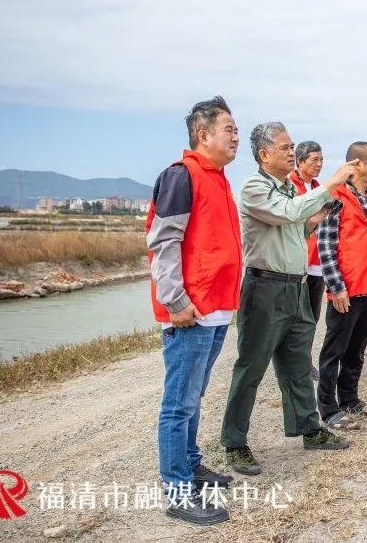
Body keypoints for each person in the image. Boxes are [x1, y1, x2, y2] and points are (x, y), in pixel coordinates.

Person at [221, 123, 359, 476]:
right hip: (265, 288)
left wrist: (319, 216)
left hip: (295, 288)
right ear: (264, 154)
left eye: (291, 145)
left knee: (298, 366)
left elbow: (296, 226)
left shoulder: (285, 189)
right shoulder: (255, 187)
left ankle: (310, 429)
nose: (290, 152)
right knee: (251, 368)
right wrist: (331, 183)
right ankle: (235, 443)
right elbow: (288, 213)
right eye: (285, 147)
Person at [146, 96, 240, 526]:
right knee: (178, 403)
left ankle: (191, 463)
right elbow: (163, 243)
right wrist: (176, 300)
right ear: (203, 135)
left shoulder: (218, 179)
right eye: (229, 129)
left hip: (217, 308)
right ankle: (178, 490)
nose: (236, 136)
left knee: (194, 396)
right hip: (192, 310)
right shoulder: (181, 176)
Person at [315, 141, 367, 430]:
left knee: (357, 349)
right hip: (346, 289)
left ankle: (350, 397)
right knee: (334, 350)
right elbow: (326, 245)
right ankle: (329, 408)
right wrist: (336, 286)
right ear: (357, 164)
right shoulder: (335, 196)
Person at [289, 140, 326, 381]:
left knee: (311, 317)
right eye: (314, 160)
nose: (319, 165)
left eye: (321, 160)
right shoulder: (288, 186)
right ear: (299, 161)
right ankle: (290, 361)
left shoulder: (318, 187)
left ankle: (304, 361)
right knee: (292, 318)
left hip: (316, 263)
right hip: (294, 264)